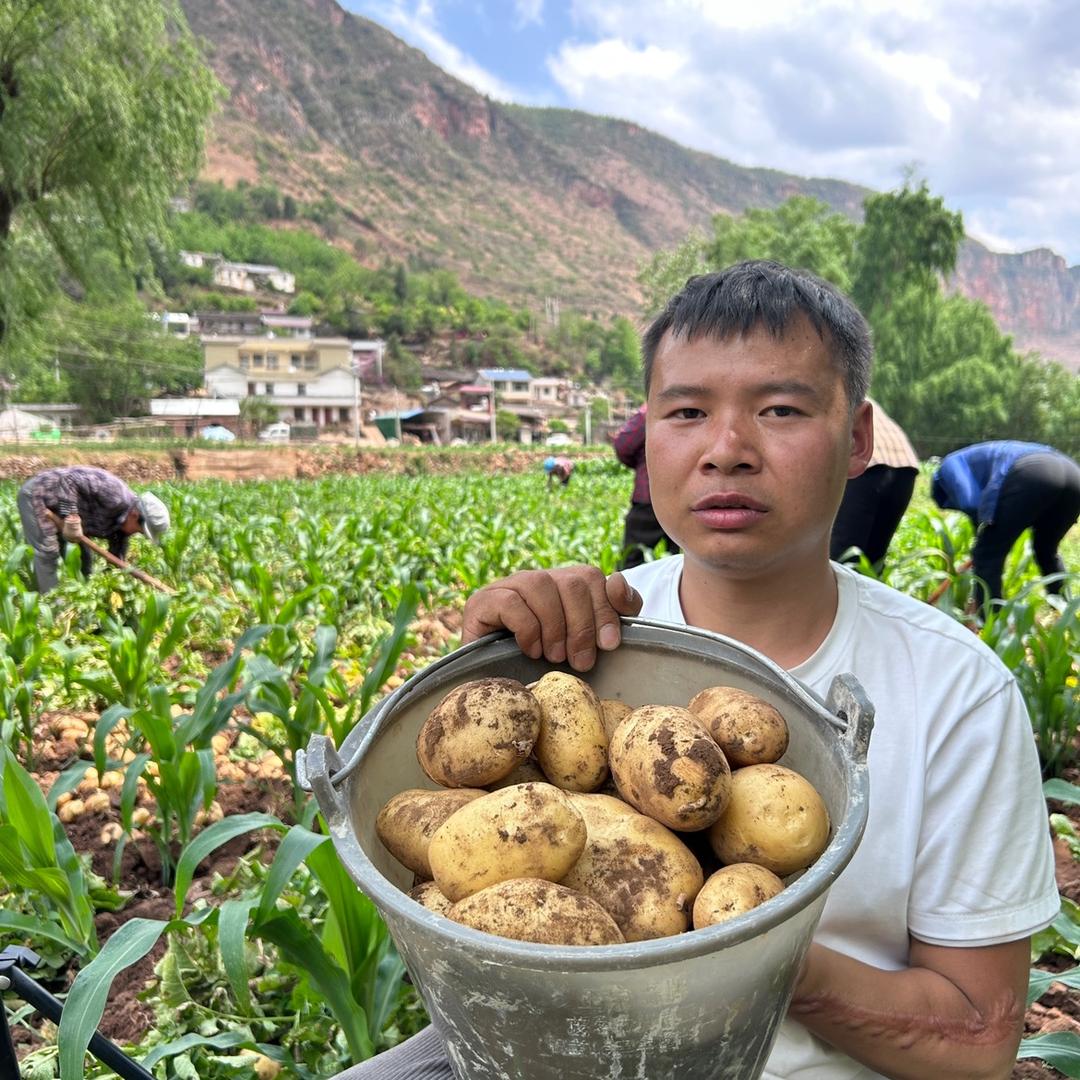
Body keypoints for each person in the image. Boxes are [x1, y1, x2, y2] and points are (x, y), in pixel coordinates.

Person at [336, 262, 1057, 1080]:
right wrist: (483, 676)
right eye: (687, 412)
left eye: (780, 409)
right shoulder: (581, 634)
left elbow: (978, 1041)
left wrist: (747, 956)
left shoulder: (957, 691)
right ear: (649, 434)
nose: (726, 451)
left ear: (857, 438)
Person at [931, 440, 1080, 607]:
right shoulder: (972, 459)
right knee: (1045, 550)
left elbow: (970, 503)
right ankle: (1064, 611)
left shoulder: (948, 466)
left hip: (1033, 471)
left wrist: (982, 544)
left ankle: (991, 620)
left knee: (987, 556)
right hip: (1073, 475)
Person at [16, 466, 171, 594]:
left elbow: (115, 563)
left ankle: (81, 597)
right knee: (48, 552)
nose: (137, 534)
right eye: (140, 530)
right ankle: (52, 608)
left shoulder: (121, 531)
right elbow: (69, 480)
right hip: (39, 495)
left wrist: (113, 589)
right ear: (135, 515)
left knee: (85, 559)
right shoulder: (115, 494)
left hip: (60, 510)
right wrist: (71, 516)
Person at [829, 398, 918, 568]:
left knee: (843, 558)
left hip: (866, 465)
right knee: (873, 560)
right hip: (904, 465)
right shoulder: (857, 390)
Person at [611, 403, 679, 568]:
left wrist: (642, 465)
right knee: (676, 561)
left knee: (632, 562)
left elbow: (623, 446)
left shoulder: (651, 410)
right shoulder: (701, 406)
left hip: (649, 498)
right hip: (685, 497)